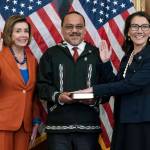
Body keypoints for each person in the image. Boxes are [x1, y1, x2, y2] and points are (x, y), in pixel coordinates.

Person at [37, 11, 114, 150]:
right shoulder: (51, 54)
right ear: (62, 29)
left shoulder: (97, 54)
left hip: (88, 127)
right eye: (69, 26)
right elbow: (42, 86)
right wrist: (58, 96)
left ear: (85, 30)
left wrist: (94, 99)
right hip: (58, 128)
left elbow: (108, 87)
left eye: (79, 27)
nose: (74, 31)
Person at [76, 11, 150, 150]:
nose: (139, 31)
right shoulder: (128, 57)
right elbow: (117, 85)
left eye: (144, 26)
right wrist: (105, 63)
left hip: (142, 123)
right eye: (134, 26)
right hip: (124, 119)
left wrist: (94, 90)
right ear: (128, 32)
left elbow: (129, 85)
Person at [0, 15, 41, 150]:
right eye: (18, 31)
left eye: (26, 31)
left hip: (25, 125)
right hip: (2, 124)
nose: (23, 35)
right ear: (9, 34)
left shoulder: (32, 60)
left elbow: (34, 95)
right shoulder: (1, 57)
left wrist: (35, 122)